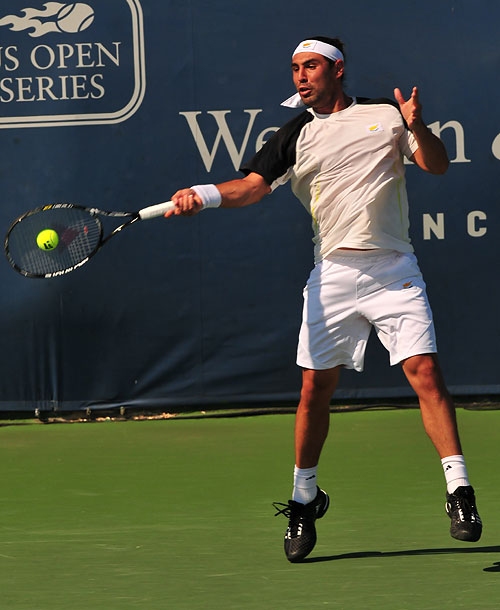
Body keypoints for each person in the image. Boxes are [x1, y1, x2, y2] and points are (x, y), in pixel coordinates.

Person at [166, 36, 482, 562]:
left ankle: (459, 491)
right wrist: (205, 194)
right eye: (295, 68)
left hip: (394, 268)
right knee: (315, 389)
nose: (300, 76)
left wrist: (417, 125)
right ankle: (303, 497)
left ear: (337, 70)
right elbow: (252, 187)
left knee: (425, 371)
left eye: (310, 66)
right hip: (333, 274)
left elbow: (437, 165)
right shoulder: (294, 134)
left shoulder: (387, 114)